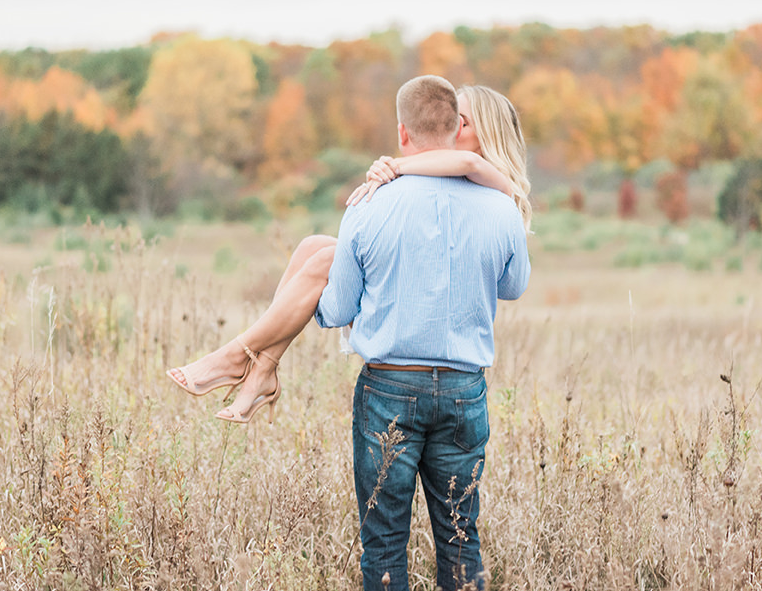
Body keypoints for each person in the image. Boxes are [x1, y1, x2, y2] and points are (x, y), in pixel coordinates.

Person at [166, 82, 531, 425]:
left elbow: (470, 167)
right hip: (421, 331)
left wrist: (398, 164)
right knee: (312, 247)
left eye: (461, 122)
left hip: (416, 343)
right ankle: (262, 367)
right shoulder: (448, 185)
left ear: (488, 136)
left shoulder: (496, 191)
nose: (449, 128)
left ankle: (236, 356)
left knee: (324, 257)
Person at [316, 75, 530, 591]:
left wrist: (322, 294)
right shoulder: (501, 206)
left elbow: (338, 306)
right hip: (462, 390)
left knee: (384, 539)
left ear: (402, 133)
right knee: (461, 537)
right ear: (456, 127)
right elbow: (513, 286)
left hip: (389, 386)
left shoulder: (368, 203)